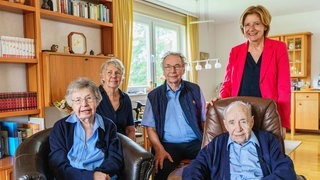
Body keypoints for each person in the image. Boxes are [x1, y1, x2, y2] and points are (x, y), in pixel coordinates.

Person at [218, 5, 291, 138]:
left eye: (256, 24)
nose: (251, 29)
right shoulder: (235, 51)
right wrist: (220, 100)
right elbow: (228, 83)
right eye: (247, 25)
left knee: (267, 153)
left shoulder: (278, 48)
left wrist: (283, 123)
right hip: (241, 114)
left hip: (267, 113)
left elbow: (284, 88)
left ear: (265, 26)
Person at [182, 101, 297, 179]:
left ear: (251, 122)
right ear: (225, 125)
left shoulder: (267, 141)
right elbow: (196, 166)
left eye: (243, 121)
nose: (238, 128)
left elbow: (285, 169)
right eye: (232, 122)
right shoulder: (217, 144)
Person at [141, 51, 207, 180]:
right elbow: (151, 128)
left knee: (213, 163)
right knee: (160, 169)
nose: (173, 70)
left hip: (196, 142)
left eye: (177, 66)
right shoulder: (154, 96)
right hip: (168, 145)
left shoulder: (195, 89)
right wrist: (159, 149)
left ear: (183, 69)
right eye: (168, 66)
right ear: (164, 70)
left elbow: (205, 121)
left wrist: (207, 143)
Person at [49, 77, 123, 180]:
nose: (84, 104)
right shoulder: (61, 128)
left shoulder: (108, 126)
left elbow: (115, 158)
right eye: (78, 100)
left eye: (89, 98)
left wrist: (99, 174)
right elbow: (58, 165)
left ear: (97, 101)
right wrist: (90, 176)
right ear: (72, 104)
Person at [96, 58, 136, 141]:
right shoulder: (93, 95)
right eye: (109, 72)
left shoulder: (126, 99)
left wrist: (131, 149)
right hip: (99, 147)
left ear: (122, 77)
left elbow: (130, 129)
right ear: (102, 77)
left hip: (121, 145)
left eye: (117, 73)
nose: (113, 76)